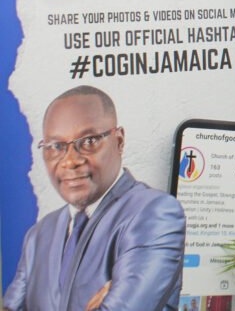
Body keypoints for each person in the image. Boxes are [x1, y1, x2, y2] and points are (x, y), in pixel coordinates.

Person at [3, 86, 185, 311]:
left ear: (118, 141)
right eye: (56, 147)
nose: (70, 161)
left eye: (89, 141)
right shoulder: (38, 235)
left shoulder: (155, 214)